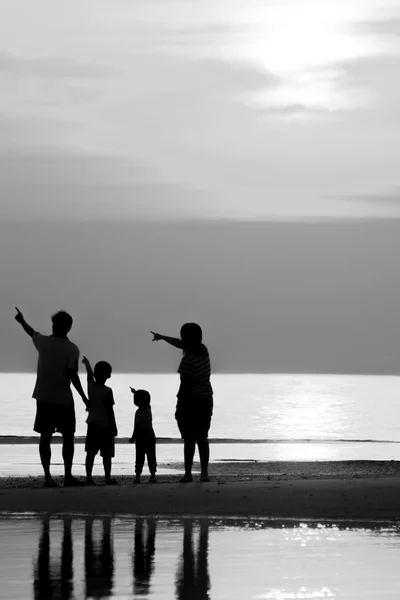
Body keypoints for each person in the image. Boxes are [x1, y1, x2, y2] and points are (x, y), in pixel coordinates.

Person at [14, 307, 88, 487]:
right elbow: (73, 375)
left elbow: (30, 332)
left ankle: (48, 477)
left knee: (45, 437)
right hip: (63, 400)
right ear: (69, 327)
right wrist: (85, 398)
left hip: (44, 398)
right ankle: (67, 476)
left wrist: (22, 321)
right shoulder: (72, 349)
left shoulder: (43, 342)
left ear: (55, 325)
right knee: (68, 437)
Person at [151, 323, 213, 482]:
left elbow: (185, 384)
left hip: (190, 400)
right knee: (202, 437)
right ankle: (204, 473)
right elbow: (181, 344)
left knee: (189, 438)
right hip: (206, 398)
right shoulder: (203, 350)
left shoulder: (188, 360)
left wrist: (179, 407)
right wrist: (163, 337)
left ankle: (188, 473)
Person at [82, 356, 118, 485]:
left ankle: (88, 478)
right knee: (106, 455)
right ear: (108, 376)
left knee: (90, 453)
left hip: (92, 424)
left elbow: (89, 374)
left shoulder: (90, 385)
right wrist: (114, 427)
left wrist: (87, 363)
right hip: (105, 426)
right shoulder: (108, 391)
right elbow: (110, 411)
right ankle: (107, 478)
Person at [129, 388, 157, 483]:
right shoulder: (148, 409)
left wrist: (133, 437)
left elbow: (136, 427)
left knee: (139, 457)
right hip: (150, 436)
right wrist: (135, 392)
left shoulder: (138, 412)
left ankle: (138, 476)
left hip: (141, 437)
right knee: (151, 456)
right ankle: (152, 475)